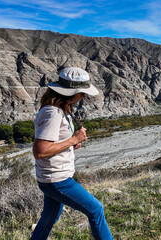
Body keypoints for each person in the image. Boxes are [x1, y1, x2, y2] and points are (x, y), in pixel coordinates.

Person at [31, 67, 113, 240]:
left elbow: (52, 144)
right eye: (81, 93)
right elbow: (40, 151)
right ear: (70, 92)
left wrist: (69, 145)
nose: (83, 96)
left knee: (49, 218)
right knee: (96, 209)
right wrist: (73, 140)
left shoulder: (59, 109)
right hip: (57, 180)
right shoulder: (52, 112)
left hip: (51, 178)